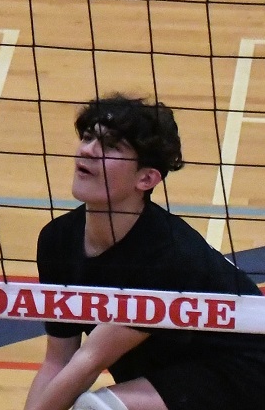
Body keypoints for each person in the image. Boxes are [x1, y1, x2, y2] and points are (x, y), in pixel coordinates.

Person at [23, 95, 265, 410]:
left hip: (244, 373)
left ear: (146, 178)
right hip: (168, 375)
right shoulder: (57, 241)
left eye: (110, 146)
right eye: (87, 138)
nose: (87, 150)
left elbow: (90, 360)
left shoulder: (169, 257)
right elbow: (58, 361)